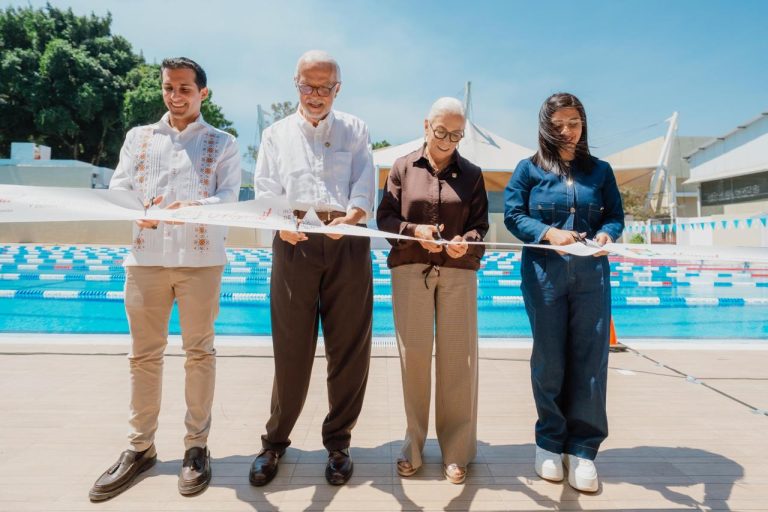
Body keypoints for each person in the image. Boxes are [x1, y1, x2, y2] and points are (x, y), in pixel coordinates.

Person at [89, 57, 241, 500]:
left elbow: (229, 198)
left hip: (201, 261)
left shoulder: (222, 142)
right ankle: (140, 448)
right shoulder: (138, 138)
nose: (175, 96)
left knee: (199, 353)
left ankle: (196, 447)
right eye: (169, 88)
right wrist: (141, 211)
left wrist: (191, 211)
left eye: (185, 89)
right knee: (143, 356)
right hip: (145, 259)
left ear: (202, 93)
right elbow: (117, 188)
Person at [249, 50, 375, 487]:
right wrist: (283, 224)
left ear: (338, 88)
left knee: (349, 350)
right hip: (293, 241)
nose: (316, 95)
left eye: (325, 87)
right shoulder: (275, 134)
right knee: (291, 349)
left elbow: (364, 183)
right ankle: (275, 441)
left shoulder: (355, 129)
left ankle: (338, 442)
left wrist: (354, 218)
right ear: (295, 84)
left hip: (347, 244)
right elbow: (265, 187)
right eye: (308, 85)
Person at [503, 92, 624, 492]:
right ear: (545, 127)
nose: (567, 131)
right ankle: (549, 443)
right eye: (557, 125)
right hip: (544, 276)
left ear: (583, 124)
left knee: (591, 361)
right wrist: (547, 232)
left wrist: (608, 233)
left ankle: (584, 449)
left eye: (573, 123)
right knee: (550, 359)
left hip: (592, 277)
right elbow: (513, 214)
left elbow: (615, 215)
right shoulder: (528, 170)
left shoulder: (601, 171)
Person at [377, 97, 489, 484]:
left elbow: (480, 227)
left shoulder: (473, 174)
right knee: (415, 362)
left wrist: (466, 243)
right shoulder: (402, 167)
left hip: (458, 271)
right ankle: (412, 445)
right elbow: (386, 218)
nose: (446, 141)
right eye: (441, 131)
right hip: (411, 268)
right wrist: (415, 232)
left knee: (459, 361)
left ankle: (457, 450)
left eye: (456, 134)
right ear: (426, 125)